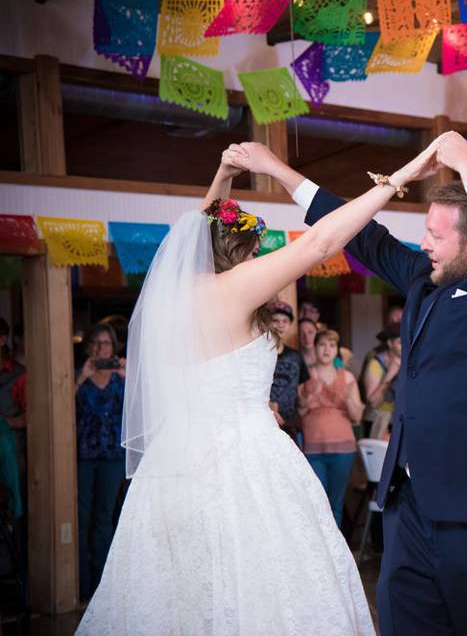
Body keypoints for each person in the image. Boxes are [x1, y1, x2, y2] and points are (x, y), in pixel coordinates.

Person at [77, 138, 444, 634]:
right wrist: (395, 181)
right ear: (244, 252)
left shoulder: (173, 298)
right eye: (257, 250)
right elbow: (320, 242)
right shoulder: (236, 286)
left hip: (173, 465)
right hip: (244, 460)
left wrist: (225, 173)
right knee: (262, 584)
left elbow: (204, 224)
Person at [240, 131, 467, 635]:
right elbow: (363, 236)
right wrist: (279, 170)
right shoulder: (427, 278)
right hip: (413, 509)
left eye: (435, 235)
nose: (423, 244)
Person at [74, 323, 127, 600]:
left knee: (105, 518)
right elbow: (61, 402)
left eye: (106, 344)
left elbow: (139, 406)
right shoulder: (80, 375)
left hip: (112, 457)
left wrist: (127, 374)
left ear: (113, 347)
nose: (101, 348)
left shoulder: (121, 379)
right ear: (88, 347)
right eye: (96, 343)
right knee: (81, 518)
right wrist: (81, 377)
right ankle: (80, 584)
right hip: (84, 456)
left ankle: (100, 587)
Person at [298, 330, 364, 527]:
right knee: (316, 503)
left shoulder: (348, 377)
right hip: (313, 448)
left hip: (343, 448)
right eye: (322, 345)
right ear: (315, 348)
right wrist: (308, 397)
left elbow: (357, 416)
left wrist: (346, 399)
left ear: (337, 350)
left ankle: (335, 555)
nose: (327, 349)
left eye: (331, 345)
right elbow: (299, 411)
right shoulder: (305, 374)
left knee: (335, 503)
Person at [268, 300, 309, 440]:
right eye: (275, 320)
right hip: (265, 421)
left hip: (290, 422)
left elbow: (302, 391)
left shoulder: (296, 356)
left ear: (290, 325)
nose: (280, 324)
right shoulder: (261, 355)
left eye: (285, 321)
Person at [361, 323, 402, 440]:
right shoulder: (376, 364)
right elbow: (373, 402)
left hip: (400, 421)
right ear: (390, 343)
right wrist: (390, 375)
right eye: (400, 343)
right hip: (377, 421)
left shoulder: (408, 363)